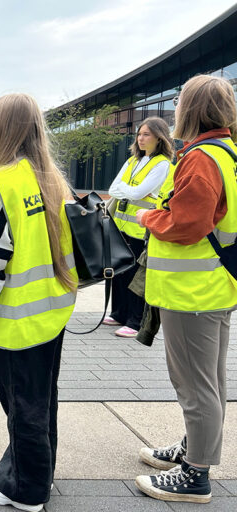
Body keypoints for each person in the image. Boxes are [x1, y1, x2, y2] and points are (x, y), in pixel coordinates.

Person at [0, 93, 77, 512]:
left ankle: (26, 489)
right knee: (41, 399)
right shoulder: (48, 178)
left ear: (6, 128)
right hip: (51, 311)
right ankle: (32, 467)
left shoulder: (0, 185)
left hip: (16, 320)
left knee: (22, 404)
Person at [134, 75, 237, 505]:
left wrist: (148, 219)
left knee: (195, 385)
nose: (174, 109)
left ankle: (195, 475)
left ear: (191, 109)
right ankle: (193, 449)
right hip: (213, 286)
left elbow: (185, 224)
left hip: (193, 292)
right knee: (209, 381)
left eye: (179, 103)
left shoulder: (199, 158)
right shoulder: (228, 152)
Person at [104, 117, 173, 338]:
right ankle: (119, 313)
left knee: (136, 276)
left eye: (147, 135)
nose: (141, 139)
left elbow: (133, 193)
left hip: (141, 228)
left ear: (159, 138)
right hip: (122, 225)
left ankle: (135, 322)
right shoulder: (133, 161)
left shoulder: (161, 164)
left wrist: (127, 189)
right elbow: (113, 188)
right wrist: (129, 189)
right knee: (120, 272)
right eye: (139, 134)